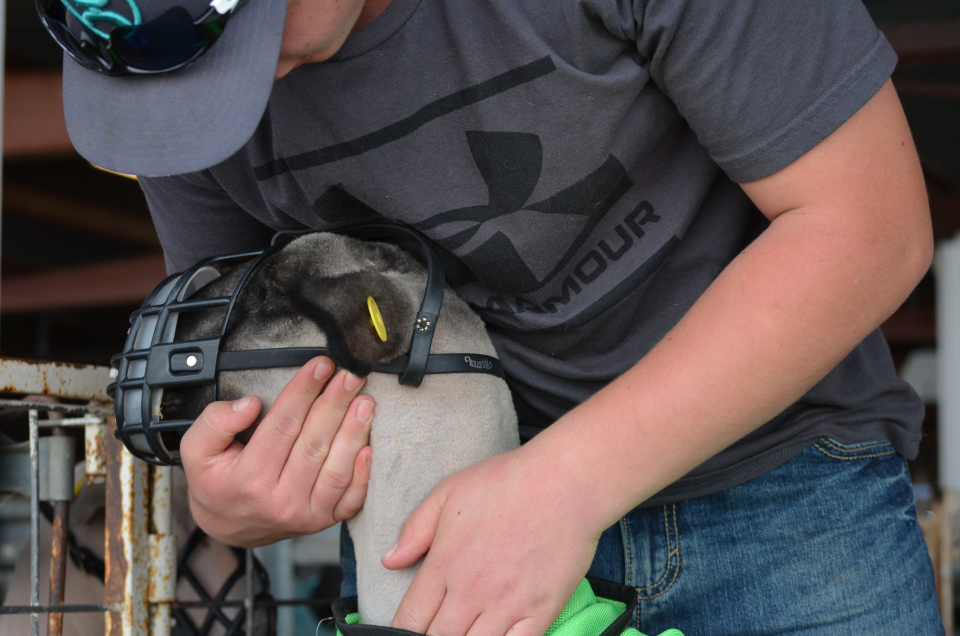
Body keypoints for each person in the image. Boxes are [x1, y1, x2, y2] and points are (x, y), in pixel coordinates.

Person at [45, 0, 944, 632]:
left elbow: (868, 227)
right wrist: (232, 496)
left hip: (781, 496)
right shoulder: (171, 67)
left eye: (238, 43)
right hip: (438, 534)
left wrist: (561, 488)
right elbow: (236, 342)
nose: (216, 96)